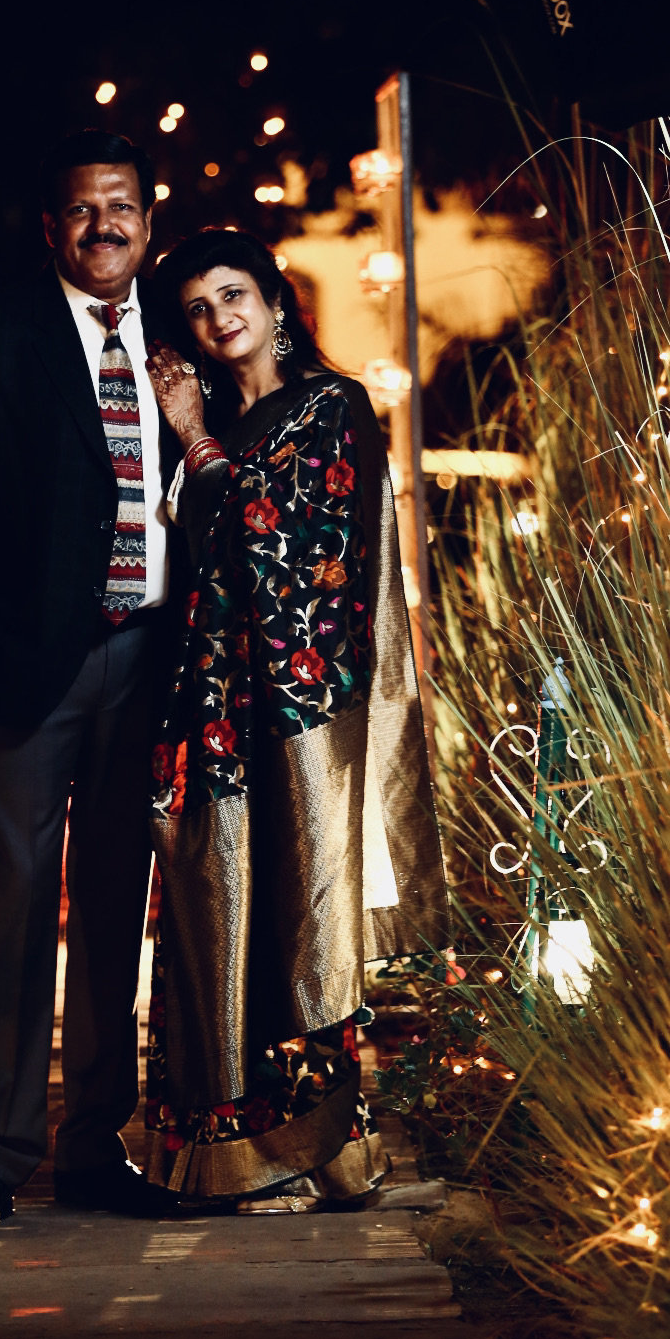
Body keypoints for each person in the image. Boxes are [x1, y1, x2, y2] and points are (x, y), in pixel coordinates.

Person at [0, 129, 184, 1237]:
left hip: (149, 659)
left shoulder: (183, 333)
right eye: (79, 210)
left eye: (120, 208)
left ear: (147, 224)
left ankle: (91, 1141)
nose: (100, 226)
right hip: (25, 665)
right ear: (48, 225)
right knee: (14, 905)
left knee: (116, 909)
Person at [140, 227, 449, 1212]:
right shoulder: (199, 430)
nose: (217, 316)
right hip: (213, 715)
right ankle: (234, 1154)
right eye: (195, 306)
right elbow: (188, 561)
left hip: (300, 716)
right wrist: (189, 441)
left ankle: (323, 1150)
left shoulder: (329, 406)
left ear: (275, 301)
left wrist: (192, 436)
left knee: (299, 919)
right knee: (212, 910)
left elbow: (279, 536)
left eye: (233, 293)